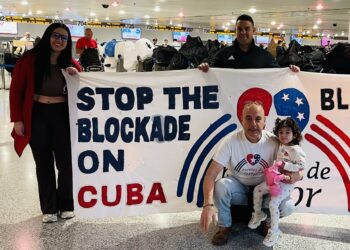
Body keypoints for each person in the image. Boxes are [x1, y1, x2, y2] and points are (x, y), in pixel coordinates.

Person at [199, 102, 302, 246]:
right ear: (241, 121)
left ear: (265, 121)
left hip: (265, 189)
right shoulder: (230, 141)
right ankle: (224, 226)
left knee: (288, 206)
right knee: (221, 185)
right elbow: (211, 174)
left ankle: (267, 222)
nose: (253, 123)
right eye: (248, 118)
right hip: (239, 188)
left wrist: (298, 175)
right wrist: (207, 205)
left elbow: (299, 164)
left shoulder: (275, 141)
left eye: (258, 119)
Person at [10, 23, 82, 223]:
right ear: (48, 36)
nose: (59, 41)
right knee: (43, 163)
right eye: (56, 36)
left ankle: (66, 204)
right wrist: (17, 120)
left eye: (64, 38)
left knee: (66, 163)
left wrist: (76, 76)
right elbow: (16, 90)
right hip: (37, 114)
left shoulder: (71, 63)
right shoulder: (29, 60)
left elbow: (82, 86)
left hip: (62, 116)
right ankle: (49, 208)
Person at [248, 117, 306, 247]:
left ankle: (274, 231)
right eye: (281, 132)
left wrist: (285, 165)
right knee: (257, 189)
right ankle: (258, 214)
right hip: (275, 179)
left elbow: (301, 166)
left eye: (287, 132)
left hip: (286, 184)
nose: (283, 135)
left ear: (294, 134)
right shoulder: (281, 145)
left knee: (273, 204)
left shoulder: (296, 150)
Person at [198, 14, 299, 72]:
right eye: (239, 29)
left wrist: (291, 71)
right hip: (229, 105)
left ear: (253, 30)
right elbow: (210, 72)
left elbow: (279, 74)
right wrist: (204, 68)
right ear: (235, 31)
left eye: (247, 29)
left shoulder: (264, 56)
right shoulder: (223, 54)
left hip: (255, 106)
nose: (243, 32)